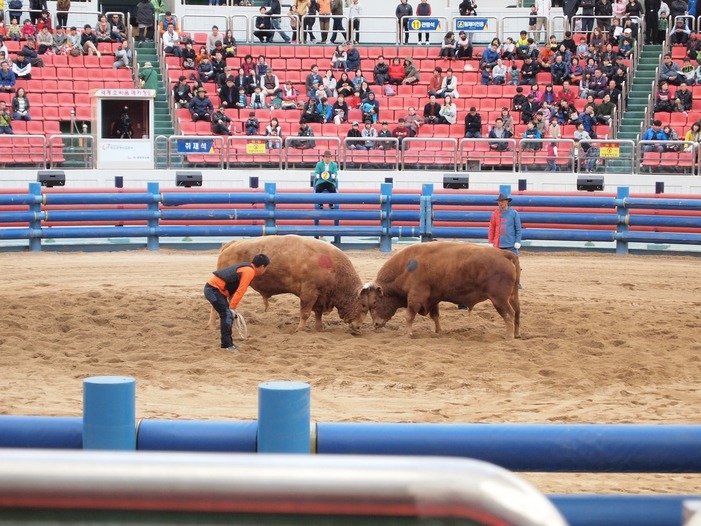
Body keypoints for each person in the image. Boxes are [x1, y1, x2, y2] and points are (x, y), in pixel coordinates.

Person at [204, 254, 270, 352]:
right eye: (265, 268)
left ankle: (228, 343)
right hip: (213, 290)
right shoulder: (249, 271)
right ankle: (227, 345)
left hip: (214, 290)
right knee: (227, 315)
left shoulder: (247, 268)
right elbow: (241, 290)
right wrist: (232, 307)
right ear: (262, 266)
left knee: (227, 314)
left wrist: (231, 307)